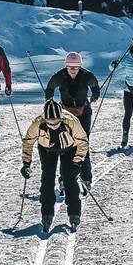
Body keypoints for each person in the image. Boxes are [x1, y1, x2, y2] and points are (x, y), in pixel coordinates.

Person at [20, 99, 89, 232]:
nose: (53, 125)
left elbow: (82, 142)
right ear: (44, 118)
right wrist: (26, 163)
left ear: (61, 117)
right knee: (47, 178)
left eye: (56, 122)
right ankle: (47, 213)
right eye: (49, 122)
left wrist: (78, 162)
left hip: (69, 148)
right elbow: (28, 142)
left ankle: (74, 214)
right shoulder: (37, 123)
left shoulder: (71, 121)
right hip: (47, 150)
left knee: (70, 179)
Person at [44, 52, 99, 195]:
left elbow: (95, 85)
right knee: (65, 145)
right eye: (70, 67)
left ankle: (86, 178)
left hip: (84, 113)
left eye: (76, 67)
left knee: (83, 144)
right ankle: (64, 179)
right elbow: (50, 87)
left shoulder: (87, 75)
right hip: (66, 114)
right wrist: (49, 99)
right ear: (66, 66)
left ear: (80, 66)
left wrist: (95, 95)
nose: (73, 70)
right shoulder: (59, 76)